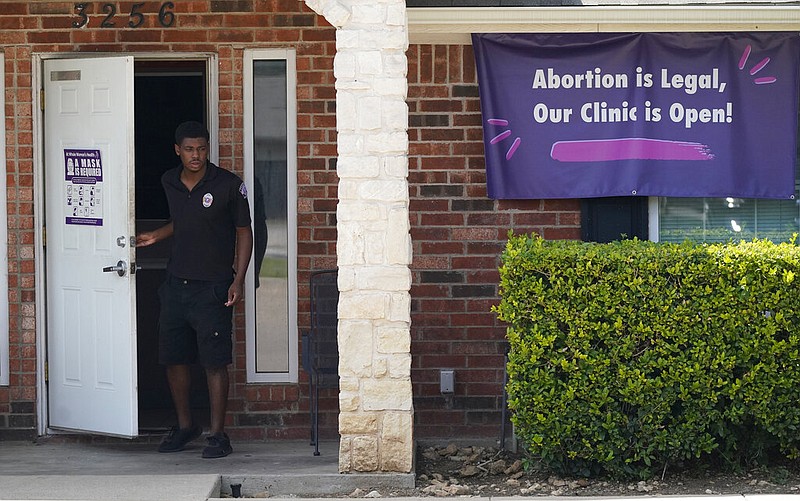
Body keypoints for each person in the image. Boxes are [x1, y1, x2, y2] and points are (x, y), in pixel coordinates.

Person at [136, 121, 253, 459]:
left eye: (201, 149)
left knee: (214, 362)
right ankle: (186, 426)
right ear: (178, 150)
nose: (196, 155)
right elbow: (186, 219)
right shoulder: (169, 181)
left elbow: (244, 231)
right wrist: (157, 235)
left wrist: (238, 279)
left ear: (207, 150)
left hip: (213, 287)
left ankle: (217, 435)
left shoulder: (229, 185)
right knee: (174, 358)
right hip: (175, 285)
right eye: (189, 149)